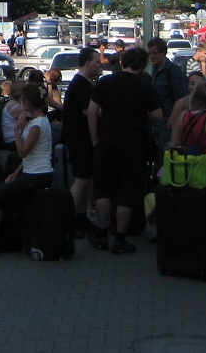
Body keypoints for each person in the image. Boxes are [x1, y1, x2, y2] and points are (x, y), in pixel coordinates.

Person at [86, 46, 161, 255]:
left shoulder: (105, 82)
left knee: (104, 188)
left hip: (107, 142)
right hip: (133, 144)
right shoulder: (144, 86)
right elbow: (157, 115)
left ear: (121, 62)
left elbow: (92, 112)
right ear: (143, 65)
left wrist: (95, 139)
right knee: (127, 190)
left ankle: (101, 233)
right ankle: (120, 237)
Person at [0, 85, 55, 257]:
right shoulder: (38, 121)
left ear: (28, 103)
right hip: (33, 171)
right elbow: (31, 154)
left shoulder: (37, 125)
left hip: (37, 175)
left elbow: (22, 151)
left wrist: (16, 130)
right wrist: (16, 172)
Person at [61, 46, 102, 236]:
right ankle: (67, 219)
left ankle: (80, 217)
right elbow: (90, 112)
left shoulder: (83, 83)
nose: (100, 65)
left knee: (84, 179)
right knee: (81, 179)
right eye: (97, 61)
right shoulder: (80, 84)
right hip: (79, 138)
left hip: (80, 137)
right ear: (87, 63)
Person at [147, 38, 187, 149]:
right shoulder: (155, 69)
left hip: (167, 124)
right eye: (150, 53)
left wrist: (171, 122)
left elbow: (181, 99)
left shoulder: (173, 71)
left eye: (154, 53)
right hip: (156, 124)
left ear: (163, 52)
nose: (151, 56)